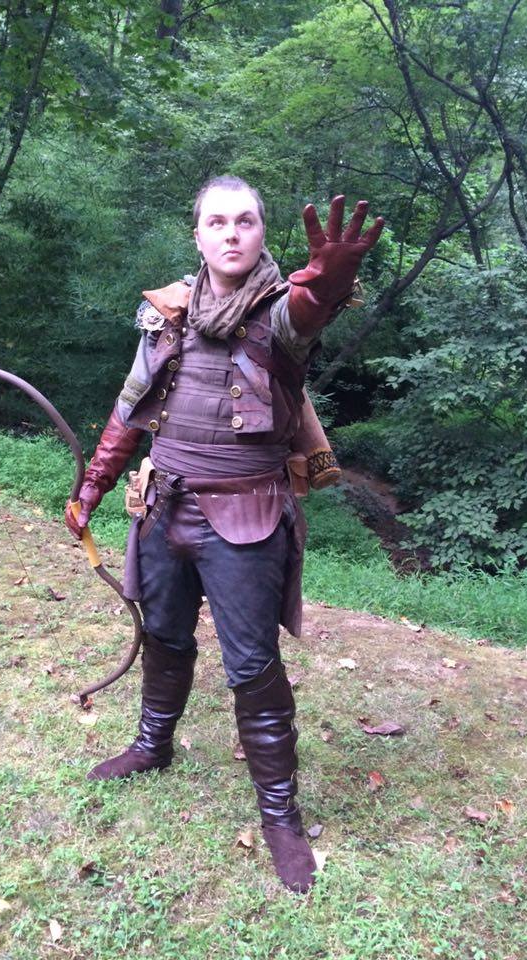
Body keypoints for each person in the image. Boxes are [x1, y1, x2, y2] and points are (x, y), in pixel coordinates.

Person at [65, 176, 384, 893]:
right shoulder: (169, 312)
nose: (232, 233)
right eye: (217, 222)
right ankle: (153, 745)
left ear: (263, 232)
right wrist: (93, 486)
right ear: (198, 235)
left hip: (246, 518)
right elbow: (130, 406)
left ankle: (280, 817)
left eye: (246, 221)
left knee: (252, 667)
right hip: (163, 507)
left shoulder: (281, 313)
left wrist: (330, 281)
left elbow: (308, 310)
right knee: (164, 636)